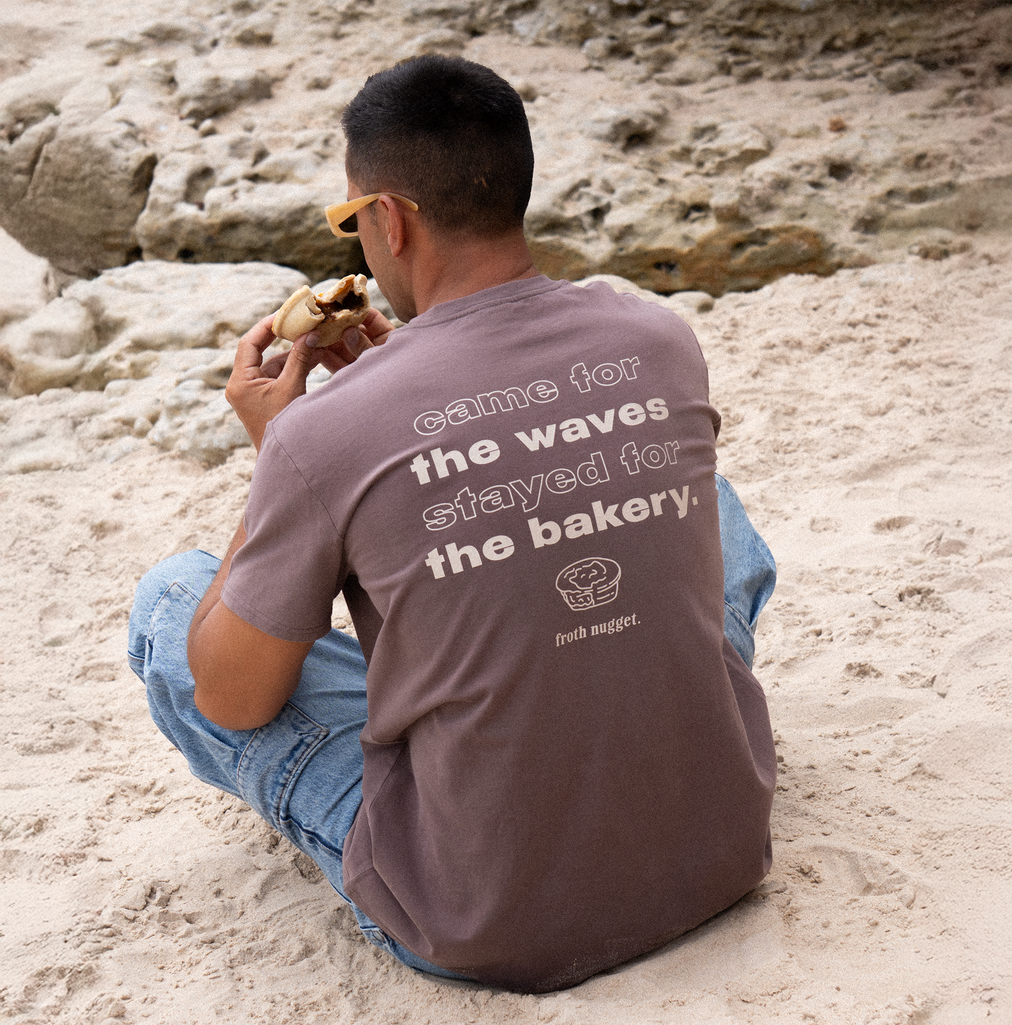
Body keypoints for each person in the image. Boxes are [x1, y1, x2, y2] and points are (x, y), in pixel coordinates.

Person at [128, 55, 777, 994]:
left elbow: (230, 699)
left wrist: (285, 459)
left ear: (389, 219)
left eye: (352, 220)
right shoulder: (658, 338)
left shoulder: (320, 436)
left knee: (172, 604)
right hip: (717, 849)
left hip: (483, 913)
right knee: (711, 504)